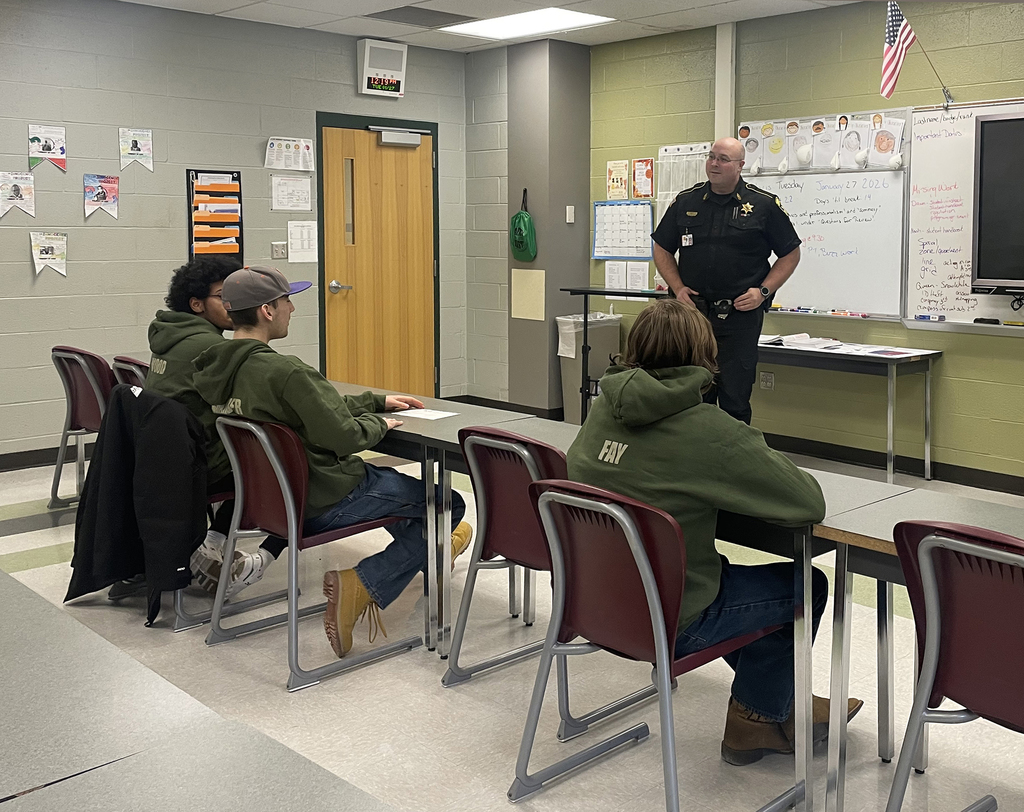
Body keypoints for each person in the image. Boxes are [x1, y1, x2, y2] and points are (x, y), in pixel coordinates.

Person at [567, 299, 862, 766]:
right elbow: (807, 502)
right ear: (706, 357)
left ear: (633, 349)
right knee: (806, 585)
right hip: (673, 616)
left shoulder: (601, 410)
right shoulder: (710, 429)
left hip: (594, 603)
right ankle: (759, 717)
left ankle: (775, 701)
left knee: (737, 580)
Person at [192, 266, 473, 658]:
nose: (292, 308)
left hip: (273, 504)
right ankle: (363, 583)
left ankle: (434, 555)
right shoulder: (285, 371)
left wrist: (373, 401)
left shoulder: (218, 370)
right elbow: (341, 436)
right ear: (268, 311)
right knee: (446, 503)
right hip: (327, 494)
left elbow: (313, 409)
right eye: (287, 300)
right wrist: (379, 422)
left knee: (416, 509)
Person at [144, 256, 283, 598]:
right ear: (196, 304)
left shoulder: (171, 337)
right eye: (223, 296)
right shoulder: (211, 348)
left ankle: (212, 542)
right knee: (285, 467)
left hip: (164, 463)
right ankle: (228, 550)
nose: (232, 303)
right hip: (196, 464)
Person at [651, 136, 802, 424]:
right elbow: (661, 248)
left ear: (740, 166)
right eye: (711, 157)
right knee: (690, 394)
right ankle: (691, 461)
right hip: (693, 316)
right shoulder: (686, 201)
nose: (714, 163)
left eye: (723, 159)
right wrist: (677, 287)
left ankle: (731, 462)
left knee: (735, 398)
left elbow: (790, 254)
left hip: (739, 317)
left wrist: (764, 291)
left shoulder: (763, 205)